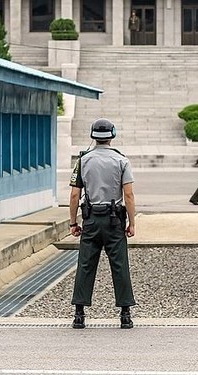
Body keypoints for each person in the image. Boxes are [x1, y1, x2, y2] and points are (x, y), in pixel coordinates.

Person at [68, 118, 136, 329]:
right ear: (112, 136)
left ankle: (79, 314)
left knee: (86, 265)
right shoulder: (122, 161)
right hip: (114, 220)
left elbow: (74, 195)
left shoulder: (82, 161)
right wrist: (132, 223)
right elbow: (129, 194)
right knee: (120, 265)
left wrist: (73, 223)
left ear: (93, 136)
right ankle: (125, 314)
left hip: (91, 219)